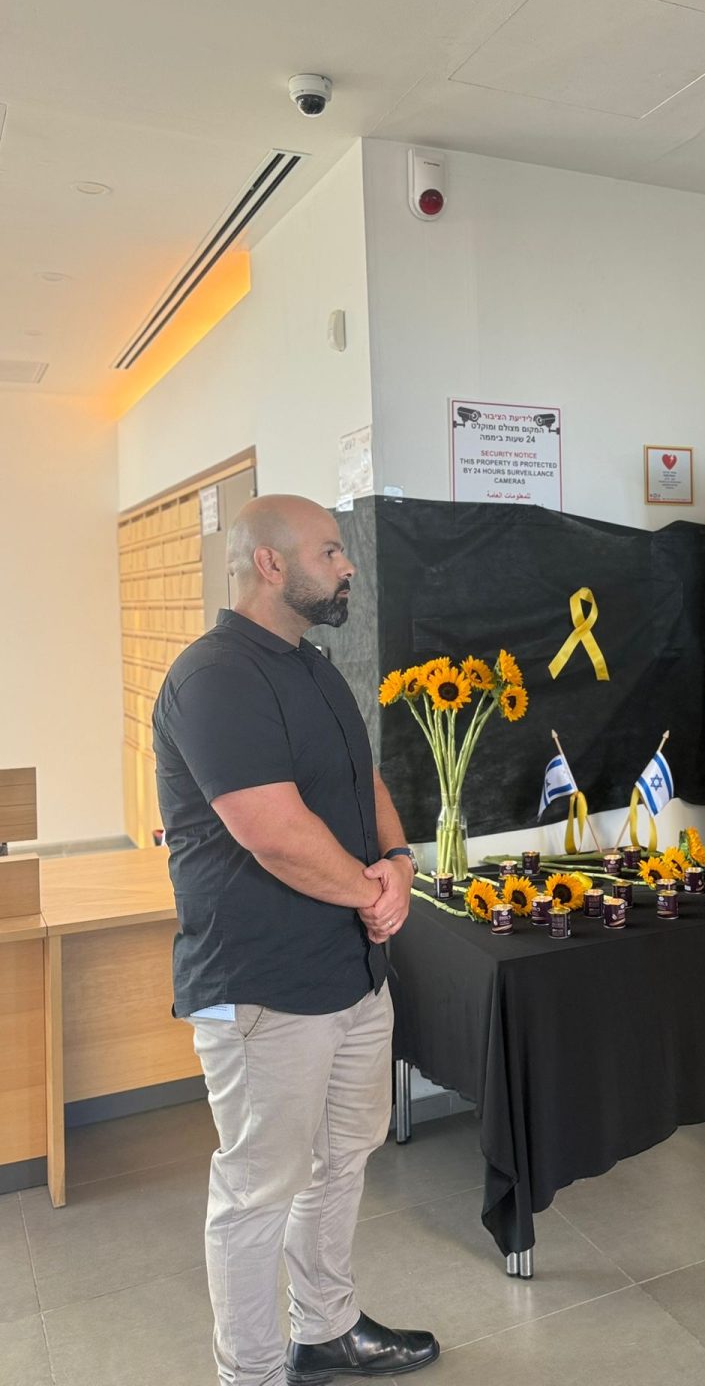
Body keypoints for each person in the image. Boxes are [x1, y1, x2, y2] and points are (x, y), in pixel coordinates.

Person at [153, 493, 439, 1386]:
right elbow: (272, 831)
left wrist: (398, 861)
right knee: (257, 1192)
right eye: (329, 551)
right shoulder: (213, 678)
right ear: (271, 564)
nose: (347, 566)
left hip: (351, 971)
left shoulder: (314, 666)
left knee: (341, 1161)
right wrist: (372, 893)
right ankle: (251, 1372)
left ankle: (325, 1330)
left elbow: (362, 777)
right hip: (261, 986)